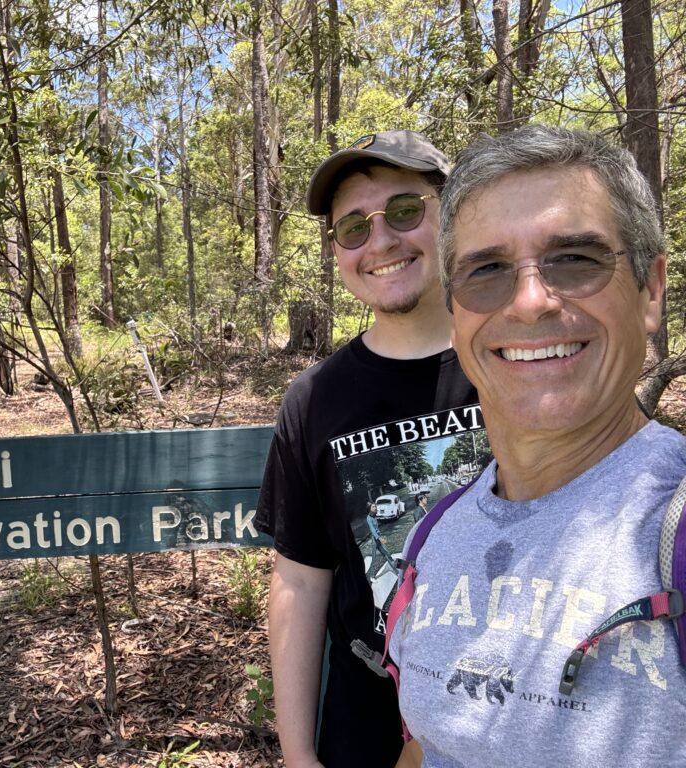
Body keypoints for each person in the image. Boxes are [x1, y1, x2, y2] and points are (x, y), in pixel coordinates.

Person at [391, 125, 686, 767]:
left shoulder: (675, 529)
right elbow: (428, 745)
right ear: (457, 313)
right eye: (487, 270)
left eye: (575, 259)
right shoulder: (436, 537)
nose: (529, 301)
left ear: (652, 290)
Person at [256, 130, 487, 767]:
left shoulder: (515, 361)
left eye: (405, 212)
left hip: (511, 721)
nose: (380, 241)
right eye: (353, 228)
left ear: (452, 213)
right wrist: (300, 757)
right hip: (366, 730)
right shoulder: (313, 400)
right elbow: (300, 583)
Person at [366, 503, 399, 576]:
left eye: (375, 506)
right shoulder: (368, 518)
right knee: (374, 559)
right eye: (373, 506)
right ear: (369, 508)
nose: (375, 507)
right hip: (375, 540)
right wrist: (379, 538)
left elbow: (376, 529)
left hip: (378, 537)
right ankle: (372, 576)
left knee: (387, 555)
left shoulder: (374, 516)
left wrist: (380, 535)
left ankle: (398, 571)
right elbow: (372, 530)